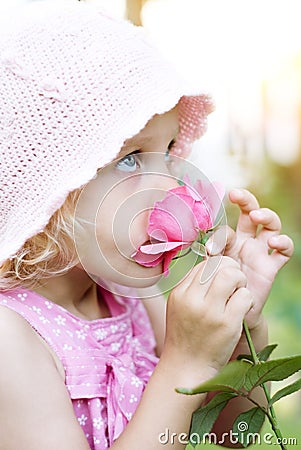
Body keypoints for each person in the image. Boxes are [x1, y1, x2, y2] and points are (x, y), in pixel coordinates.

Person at [0, 2, 293, 450]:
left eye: (170, 151)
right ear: (47, 192)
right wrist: (183, 365)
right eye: (130, 159)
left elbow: (236, 435)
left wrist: (240, 326)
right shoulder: (12, 339)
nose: (167, 184)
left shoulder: (137, 302)